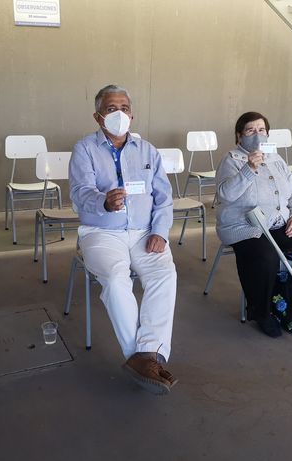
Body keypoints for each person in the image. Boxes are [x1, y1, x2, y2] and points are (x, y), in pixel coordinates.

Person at [69, 85, 178, 395]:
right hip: (102, 231)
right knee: (117, 280)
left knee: (164, 275)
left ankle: (146, 356)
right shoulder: (84, 149)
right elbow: (79, 193)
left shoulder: (148, 151)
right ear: (98, 116)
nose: (119, 113)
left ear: (132, 115)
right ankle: (145, 358)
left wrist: (159, 232)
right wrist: (103, 202)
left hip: (145, 231)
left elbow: (164, 198)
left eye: (125, 108)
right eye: (111, 108)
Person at [216, 112, 292, 338]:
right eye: (250, 130)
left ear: (268, 134)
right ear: (239, 136)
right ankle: (262, 312)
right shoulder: (232, 159)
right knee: (266, 257)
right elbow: (225, 195)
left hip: (278, 223)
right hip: (244, 226)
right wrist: (249, 169)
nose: (257, 134)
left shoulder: (276, 158)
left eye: (261, 130)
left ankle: (288, 308)